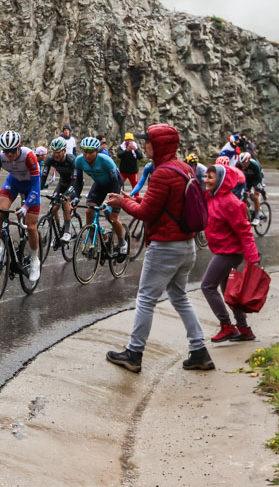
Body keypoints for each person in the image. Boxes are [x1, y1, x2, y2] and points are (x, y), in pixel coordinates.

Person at [103, 124, 212, 373]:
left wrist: (123, 203)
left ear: (160, 145)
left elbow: (147, 212)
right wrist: (131, 198)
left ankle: (134, 353)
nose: (144, 146)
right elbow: (162, 204)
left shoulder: (162, 173)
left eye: (148, 142)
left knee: (145, 298)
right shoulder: (184, 168)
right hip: (186, 245)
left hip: (165, 247)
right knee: (179, 296)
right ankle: (199, 351)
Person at [201, 164, 261, 343]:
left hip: (229, 252)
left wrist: (253, 259)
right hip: (223, 250)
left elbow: (245, 232)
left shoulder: (231, 203)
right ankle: (244, 329)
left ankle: (227, 326)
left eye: (211, 177)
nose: (206, 180)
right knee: (229, 291)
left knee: (207, 286)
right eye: (206, 176)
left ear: (221, 179)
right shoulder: (210, 197)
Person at [0, 131, 43, 282]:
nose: (10, 155)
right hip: (13, 183)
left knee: (31, 226)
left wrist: (26, 207)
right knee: (1, 210)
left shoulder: (30, 156)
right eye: (6, 151)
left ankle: (34, 259)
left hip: (31, 188)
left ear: (19, 146)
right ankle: (2, 243)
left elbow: (36, 186)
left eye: (12, 151)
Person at [71, 137, 128, 260]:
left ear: (97, 151)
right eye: (85, 151)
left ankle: (122, 242)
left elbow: (115, 183)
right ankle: (96, 242)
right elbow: (78, 181)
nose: (87, 155)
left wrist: (110, 203)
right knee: (89, 211)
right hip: (99, 185)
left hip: (114, 184)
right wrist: (76, 197)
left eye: (91, 152)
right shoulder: (79, 161)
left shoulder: (106, 161)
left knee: (111, 215)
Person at [42, 139, 77, 242]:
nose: (55, 154)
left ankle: (67, 231)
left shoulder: (71, 160)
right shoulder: (50, 159)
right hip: (62, 183)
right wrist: (37, 188)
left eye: (58, 152)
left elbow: (76, 179)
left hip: (74, 182)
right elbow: (44, 175)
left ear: (64, 150)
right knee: (53, 208)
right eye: (54, 151)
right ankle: (59, 231)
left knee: (65, 201)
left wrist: (67, 195)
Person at [236, 151, 264, 218]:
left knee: (255, 196)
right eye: (241, 163)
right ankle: (250, 208)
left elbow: (258, 179)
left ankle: (257, 215)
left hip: (257, 178)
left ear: (249, 161)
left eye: (245, 163)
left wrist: (254, 189)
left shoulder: (255, 165)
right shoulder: (238, 165)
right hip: (247, 179)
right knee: (243, 195)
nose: (243, 165)